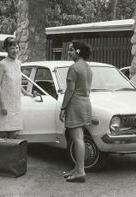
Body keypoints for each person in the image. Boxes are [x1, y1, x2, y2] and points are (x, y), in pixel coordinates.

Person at [59, 41, 93, 183]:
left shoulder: (74, 68)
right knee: (79, 138)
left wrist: (63, 108)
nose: (69, 52)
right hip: (86, 103)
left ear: (78, 52)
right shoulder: (88, 67)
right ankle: (78, 168)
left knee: (77, 139)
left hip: (75, 104)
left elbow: (70, 90)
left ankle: (80, 171)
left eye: (71, 50)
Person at [0, 37, 34, 139]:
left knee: (14, 135)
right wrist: (3, 105)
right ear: (6, 49)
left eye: (16, 47)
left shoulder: (18, 63)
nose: (15, 51)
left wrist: (27, 93)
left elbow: (17, 83)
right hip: (4, 105)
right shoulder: (2, 64)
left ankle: (12, 155)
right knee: (3, 135)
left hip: (15, 105)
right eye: (12, 48)